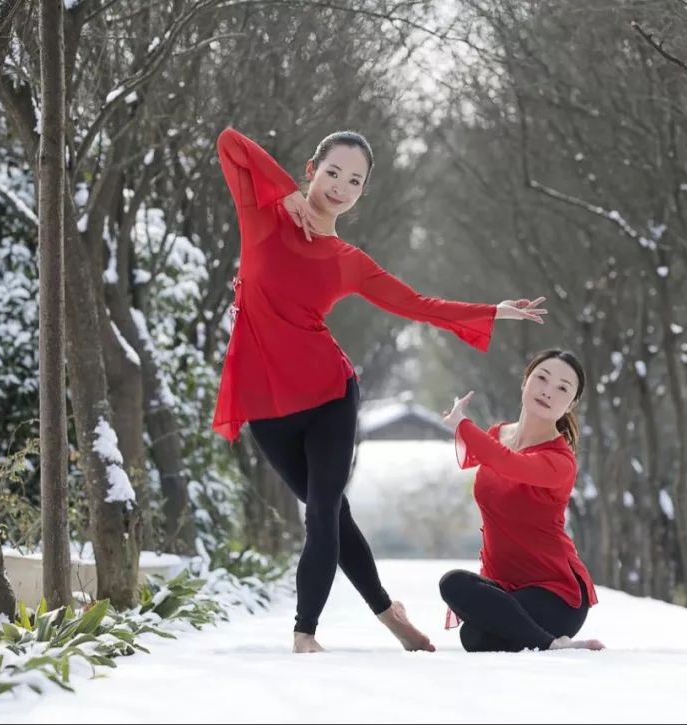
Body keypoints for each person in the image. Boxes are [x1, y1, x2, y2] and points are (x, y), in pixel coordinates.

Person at [213, 126, 548, 653]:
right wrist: (286, 195)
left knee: (322, 511)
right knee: (335, 517)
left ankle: (305, 634)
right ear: (311, 170)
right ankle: (389, 612)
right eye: (331, 173)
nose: (340, 186)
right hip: (266, 401)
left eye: (354, 180)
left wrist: (491, 311)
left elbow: (418, 305)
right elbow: (231, 142)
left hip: (329, 395)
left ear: (362, 192)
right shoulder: (263, 214)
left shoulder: (348, 261)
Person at [438, 348, 605, 652]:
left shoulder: (559, 460)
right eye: (542, 378)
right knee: (456, 592)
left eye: (562, 388)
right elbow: (489, 454)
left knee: (480, 636)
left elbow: (508, 464)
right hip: (503, 587)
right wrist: (467, 430)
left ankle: (552, 644)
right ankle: (549, 641)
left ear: (572, 404)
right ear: (525, 381)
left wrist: (463, 426)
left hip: (555, 592)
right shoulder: (497, 434)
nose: (548, 391)